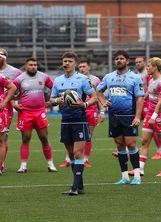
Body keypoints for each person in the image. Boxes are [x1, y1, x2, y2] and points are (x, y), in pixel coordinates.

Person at [50, 52, 98, 195]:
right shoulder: (58, 80)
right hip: (65, 121)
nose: (66, 63)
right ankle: (80, 186)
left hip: (80, 120)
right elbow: (51, 99)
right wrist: (56, 101)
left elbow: (94, 97)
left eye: (69, 61)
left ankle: (75, 187)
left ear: (75, 63)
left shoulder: (82, 79)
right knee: (71, 155)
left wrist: (84, 105)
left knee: (78, 153)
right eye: (65, 61)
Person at [96, 50, 144, 185]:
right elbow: (98, 91)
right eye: (116, 59)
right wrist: (103, 102)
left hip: (129, 115)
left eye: (121, 59)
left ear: (127, 61)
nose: (119, 61)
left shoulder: (134, 78)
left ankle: (137, 176)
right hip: (114, 116)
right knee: (120, 145)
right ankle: (124, 177)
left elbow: (140, 98)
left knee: (132, 144)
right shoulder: (108, 77)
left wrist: (137, 117)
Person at [12, 57, 57, 173]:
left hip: (40, 112)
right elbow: (9, 91)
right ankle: (23, 166)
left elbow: (54, 87)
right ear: (26, 66)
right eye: (31, 65)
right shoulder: (19, 79)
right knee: (26, 138)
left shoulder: (44, 76)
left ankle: (51, 164)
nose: (33, 67)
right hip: (25, 112)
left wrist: (51, 100)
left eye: (35, 65)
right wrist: (13, 104)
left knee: (44, 137)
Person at [60, 59, 101, 168]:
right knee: (71, 139)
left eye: (84, 66)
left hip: (90, 109)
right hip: (75, 110)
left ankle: (85, 159)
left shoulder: (95, 80)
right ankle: (67, 159)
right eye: (81, 67)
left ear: (89, 67)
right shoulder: (74, 78)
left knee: (87, 137)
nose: (82, 68)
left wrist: (102, 111)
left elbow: (98, 95)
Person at [138, 57, 161, 177]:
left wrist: (154, 116)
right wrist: (142, 98)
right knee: (144, 141)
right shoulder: (152, 80)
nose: (147, 68)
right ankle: (140, 169)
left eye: (149, 66)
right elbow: (149, 94)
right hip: (150, 114)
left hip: (160, 115)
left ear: (155, 67)